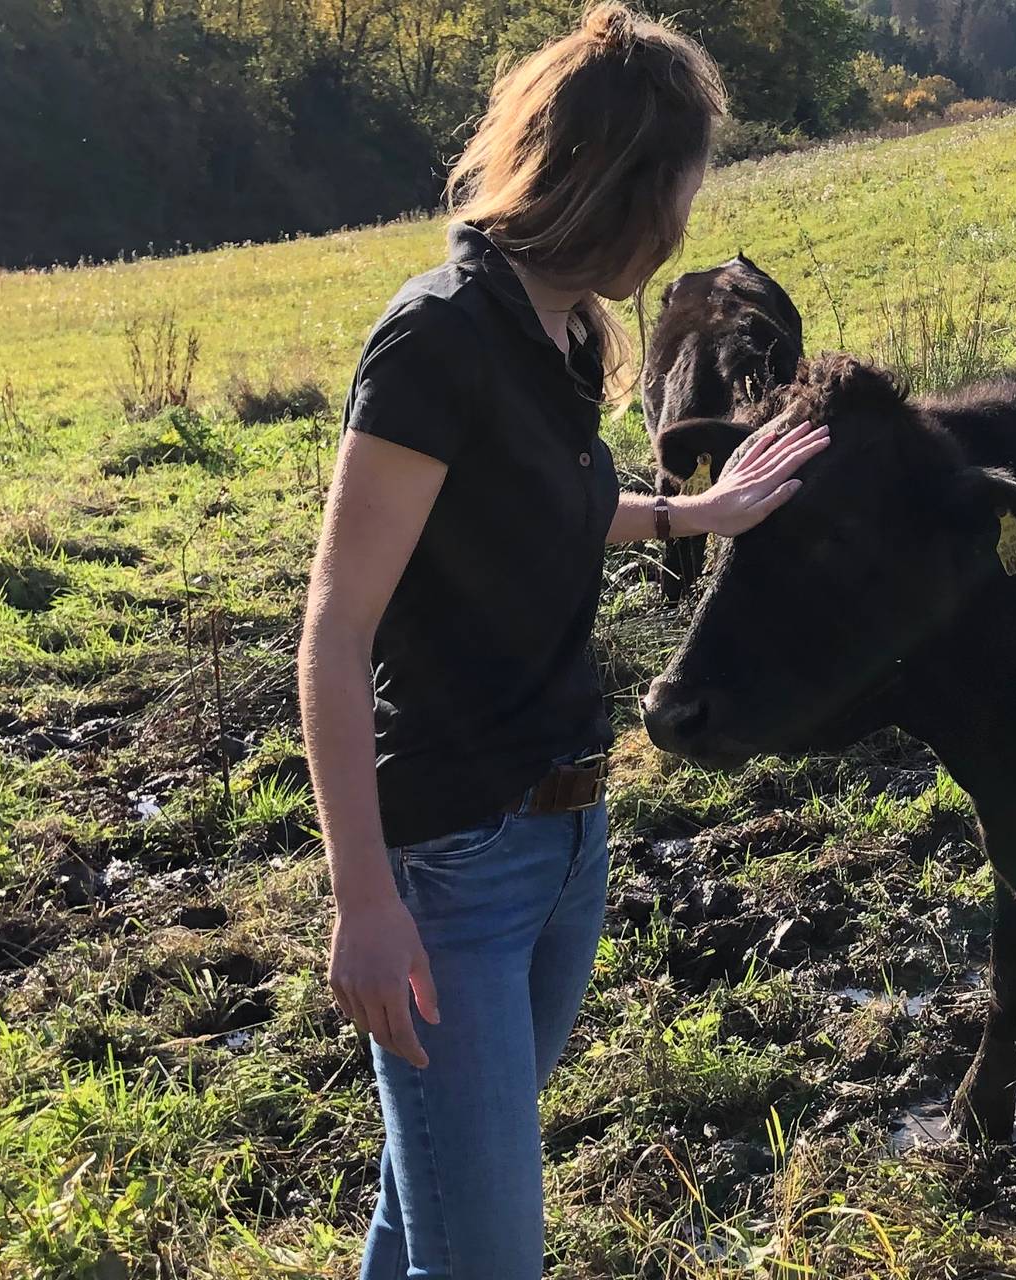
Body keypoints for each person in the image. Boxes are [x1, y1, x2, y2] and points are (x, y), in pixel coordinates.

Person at [296, 7, 827, 1276]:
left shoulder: (567, 329)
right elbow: (332, 629)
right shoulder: (436, 342)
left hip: (567, 837)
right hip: (452, 867)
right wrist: (363, 900)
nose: (685, 232)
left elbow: (535, 509)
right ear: (615, 185)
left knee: (422, 1206)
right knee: (483, 1256)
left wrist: (686, 512)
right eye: (680, 196)